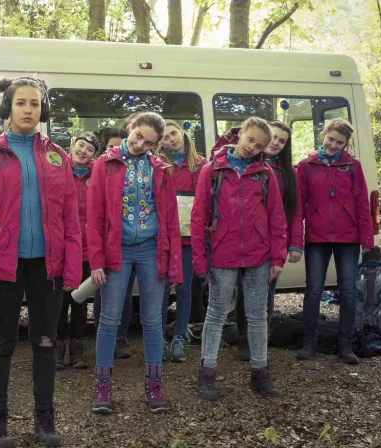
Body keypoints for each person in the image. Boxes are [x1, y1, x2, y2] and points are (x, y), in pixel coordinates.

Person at [0, 76, 81, 447]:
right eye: (21, 103)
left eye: (34, 103)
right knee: (2, 344)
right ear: (8, 108)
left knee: (45, 343)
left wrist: (71, 268)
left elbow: (71, 217)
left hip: (48, 266)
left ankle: (45, 419)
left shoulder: (57, 156)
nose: (28, 109)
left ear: (42, 110)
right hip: (2, 266)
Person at [88, 112, 183, 415]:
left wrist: (173, 262)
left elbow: (170, 218)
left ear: (157, 145)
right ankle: (103, 385)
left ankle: (154, 385)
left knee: (153, 320)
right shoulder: (105, 164)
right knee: (109, 318)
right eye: (138, 136)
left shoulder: (160, 169)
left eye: (149, 143)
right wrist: (96, 260)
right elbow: (94, 216)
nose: (140, 144)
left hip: (151, 249)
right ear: (130, 127)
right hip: (116, 249)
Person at [191, 117, 287, 402]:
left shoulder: (265, 174)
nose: (252, 147)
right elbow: (198, 216)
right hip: (223, 252)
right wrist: (199, 258)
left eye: (259, 145)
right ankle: (207, 372)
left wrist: (278, 257)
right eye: (250, 139)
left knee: (257, 316)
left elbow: (277, 217)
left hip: (259, 254)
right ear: (240, 134)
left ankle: (260, 372)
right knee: (216, 313)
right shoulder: (212, 170)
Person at [296, 118, 373, 364]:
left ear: (346, 144)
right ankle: (310, 342)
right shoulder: (306, 166)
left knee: (348, 291)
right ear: (323, 135)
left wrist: (367, 238)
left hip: (348, 237)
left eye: (339, 142)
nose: (333, 145)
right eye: (331, 139)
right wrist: (296, 241)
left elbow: (362, 203)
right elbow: (298, 207)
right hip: (316, 237)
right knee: (313, 290)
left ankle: (345, 344)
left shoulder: (353, 166)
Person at [235, 121, 303, 361]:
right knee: (243, 292)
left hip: (273, 242)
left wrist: (295, 244)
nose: (276, 143)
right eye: (273, 137)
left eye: (282, 141)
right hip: (245, 240)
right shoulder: (246, 164)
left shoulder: (289, 173)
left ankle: (259, 340)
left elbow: (295, 211)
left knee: (266, 292)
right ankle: (243, 340)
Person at [157, 119, 207, 362]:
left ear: (182, 132)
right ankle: (157, 338)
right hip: (163, 238)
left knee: (185, 288)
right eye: (165, 137)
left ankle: (179, 338)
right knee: (161, 289)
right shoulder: (158, 165)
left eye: (173, 133)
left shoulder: (201, 165)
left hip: (188, 238)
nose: (171, 139)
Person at [55, 131, 98, 370]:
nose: (83, 151)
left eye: (90, 149)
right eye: (81, 145)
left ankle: (78, 349)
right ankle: (58, 347)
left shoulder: (97, 173)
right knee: (60, 301)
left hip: (88, 250)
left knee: (80, 301)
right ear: (72, 145)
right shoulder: (59, 169)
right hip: (63, 247)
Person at [92, 126, 134, 359]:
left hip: (127, 242)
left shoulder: (133, 169)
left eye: (120, 146)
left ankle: (120, 337)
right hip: (105, 242)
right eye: (111, 147)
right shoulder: (100, 168)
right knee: (104, 293)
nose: (115, 151)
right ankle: (104, 336)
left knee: (125, 293)